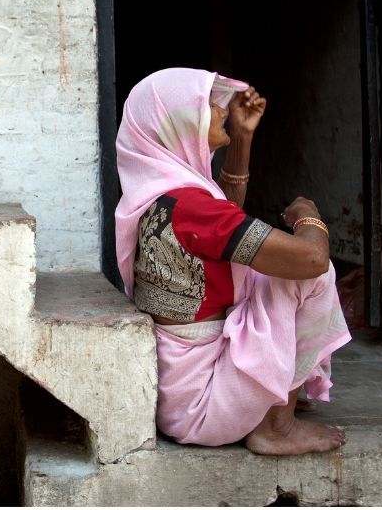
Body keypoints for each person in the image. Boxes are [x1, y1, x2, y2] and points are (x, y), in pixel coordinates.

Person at [115, 68, 351, 455]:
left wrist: (241, 139)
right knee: (312, 275)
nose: (219, 107)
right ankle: (276, 425)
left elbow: (220, 228)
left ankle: (270, 401)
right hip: (206, 406)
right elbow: (310, 258)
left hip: (182, 399)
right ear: (179, 122)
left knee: (265, 278)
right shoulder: (191, 208)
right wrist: (309, 214)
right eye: (208, 103)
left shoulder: (163, 197)